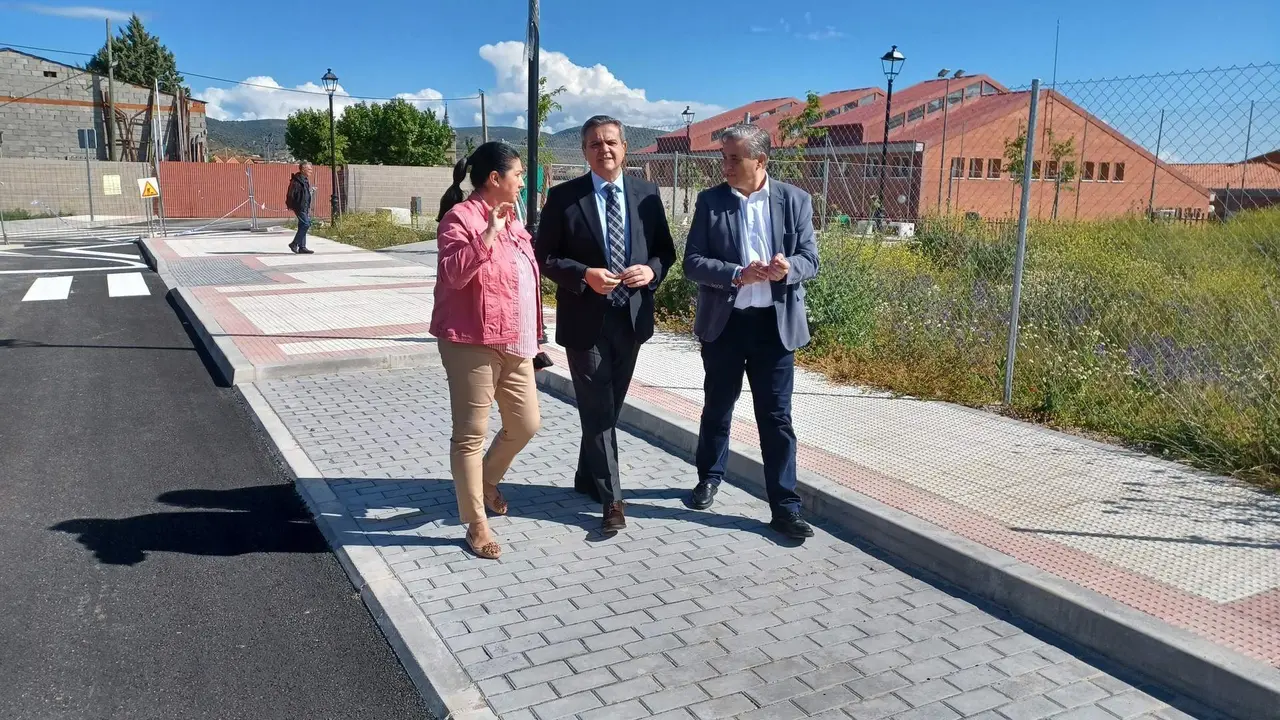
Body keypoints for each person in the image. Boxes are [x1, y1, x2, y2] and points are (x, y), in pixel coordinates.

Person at [536, 115, 676, 537]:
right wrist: (584, 275)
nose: (604, 150)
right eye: (595, 144)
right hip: (585, 319)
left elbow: (664, 253)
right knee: (597, 407)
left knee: (608, 406)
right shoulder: (564, 197)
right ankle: (611, 499)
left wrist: (651, 272)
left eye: (611, 142)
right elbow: (544, 256)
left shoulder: (646, 194)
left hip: (631, 318)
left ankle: (587, 475)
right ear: (584, 152)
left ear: (625, 147)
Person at [682, 124, 820, 540]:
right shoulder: (711, 202)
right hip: (725, 326)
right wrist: (737, 274)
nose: (725, 166)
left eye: (733, 158)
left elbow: (810, 259)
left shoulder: (795, 200)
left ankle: (785, 507)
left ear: (760, 161)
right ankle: (709, 477)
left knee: (776, 418)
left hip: (774, 331)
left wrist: (788, 268)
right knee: (717, 407)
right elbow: (692, 263)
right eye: (723, 157)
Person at [430, 141, 543, 560]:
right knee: (470, 435)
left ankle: (487, 481)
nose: (521, 183)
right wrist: (489, 233)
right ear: (494, 179)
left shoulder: (514, 220)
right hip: (470, 341)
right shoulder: (459, 218)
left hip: (514, 341)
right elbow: (453, 275)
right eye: (517, 176)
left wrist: (536, 337)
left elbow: (523, 281)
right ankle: (476, 522)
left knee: (526, 423)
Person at [285, 161, 316, 254]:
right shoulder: (296, 181)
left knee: (302, 225)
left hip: (305, 206)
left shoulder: (305, 180)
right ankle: (294, 243)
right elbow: (291, 195)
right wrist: (292, 205)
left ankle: (302, 247)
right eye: (309, 169)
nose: (311, 171)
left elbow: (303, 193)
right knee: (306, 224)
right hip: (299, 206)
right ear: (303, 169)